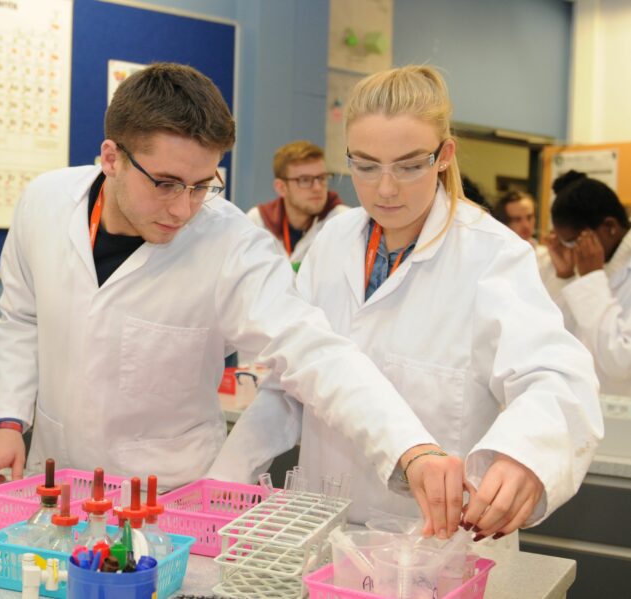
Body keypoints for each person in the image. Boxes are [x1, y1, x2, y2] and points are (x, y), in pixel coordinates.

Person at [0, 62, 469, 540]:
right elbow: (20, 318)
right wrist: (8, 423)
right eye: (165, 183)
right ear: (112, 157)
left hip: (172, 503)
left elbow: (314, 351)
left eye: (202, 185)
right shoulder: (44, 202)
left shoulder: (232, 243)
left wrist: (411, 449)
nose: (183, 208)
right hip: (55, 484)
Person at [219, 65, 601, 543]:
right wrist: (219, 490)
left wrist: (526, 454)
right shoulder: (334, 241)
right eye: (365, 164)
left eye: (407, 165)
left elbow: (558, 378)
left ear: (444, 156)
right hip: (325, 534)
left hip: (434, 548)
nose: (385, 188)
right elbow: (291, 385)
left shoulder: (492, 255)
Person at [542, 171, 631, 394]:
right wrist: (566, 277)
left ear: (609, 227)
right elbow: (564, 340)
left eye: (574, 242)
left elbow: (621, 360)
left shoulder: (597, 271)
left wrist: (591, 278)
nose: (573, 251)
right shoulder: (600, 266)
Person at [246, 141, 347, 269]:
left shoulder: (343, 222)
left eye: (322, 178)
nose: (317, 188)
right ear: (281, 187)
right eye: (305, 180)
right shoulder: (257, 222)